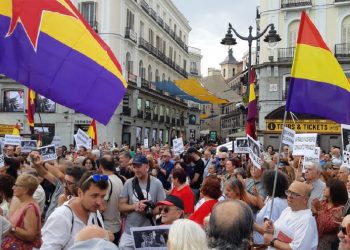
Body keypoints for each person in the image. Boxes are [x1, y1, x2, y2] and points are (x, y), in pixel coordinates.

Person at [41, 172, 109, 250]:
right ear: (80, 192)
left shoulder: (94, 211)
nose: (99, 202)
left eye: (102, 196)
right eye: (94, 196)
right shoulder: (61, 217)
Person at [118, 155, 166, 250]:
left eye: (139, 166)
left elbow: (162, 206)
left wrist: (148, 212)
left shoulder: (157, 183)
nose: (136, 170)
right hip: (130, 231)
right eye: (134, 167)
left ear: (147, 167)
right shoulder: (128, 183)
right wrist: (135, 206)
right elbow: (120, 206)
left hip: (149, 230)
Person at [263, 181, 318, 250]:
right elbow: (281, 233)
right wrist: (272, 229)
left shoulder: (307, 221)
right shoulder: (288, 210)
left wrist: (272, 241)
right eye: (289, 192)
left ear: (305, 199)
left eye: (295, 194)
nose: (289, 196)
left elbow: (297, 248)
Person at [1, 174, 42, 250]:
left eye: (16, 185)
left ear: (25, 189)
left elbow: (30, 235)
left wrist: (10, 226)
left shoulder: (30, 208)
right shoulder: (22, 202)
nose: (13, 188)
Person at [253, 170, 289, 246]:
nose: (264, 186)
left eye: (265, 184)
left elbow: (267, 230)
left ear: (271, 185)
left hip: (261, 243)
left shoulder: (275, 202)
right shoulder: (277, 200)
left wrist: (249, 223)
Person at [312, 178, 348, 249]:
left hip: (327, 245)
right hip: (315, 240)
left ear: (335, 191)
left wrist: (318, 212)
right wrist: (313, 212)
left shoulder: (340, 209)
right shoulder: (323, 203)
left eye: (327, 187)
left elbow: (326, 227)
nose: (324, 189)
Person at [99, 155, 123, 244]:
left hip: (107, 228)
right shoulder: (118, 179)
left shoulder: (106, 181)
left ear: (100, 166)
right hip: (116, 226)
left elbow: (102, 207)